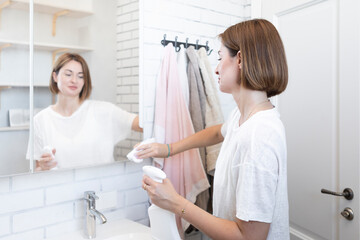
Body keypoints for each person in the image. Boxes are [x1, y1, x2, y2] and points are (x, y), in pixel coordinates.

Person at [137, 19, 289, 239]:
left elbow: (249, 237)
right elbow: (219, 132)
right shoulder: (244, 116)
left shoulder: (259, 135)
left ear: (240, 60)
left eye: (220, 58)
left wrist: (174, 201)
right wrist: (167, 149)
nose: (216, 68)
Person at [27, 53, 142, 171]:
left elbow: (142, 124)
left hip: (103, 187)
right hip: (63, 188)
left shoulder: (104, 111)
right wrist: (43, 167)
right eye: (68, 74)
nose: (74, 80)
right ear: (55, 77)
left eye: (81, 76)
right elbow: (37, 170)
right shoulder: (40, 120)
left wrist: (160, 149)